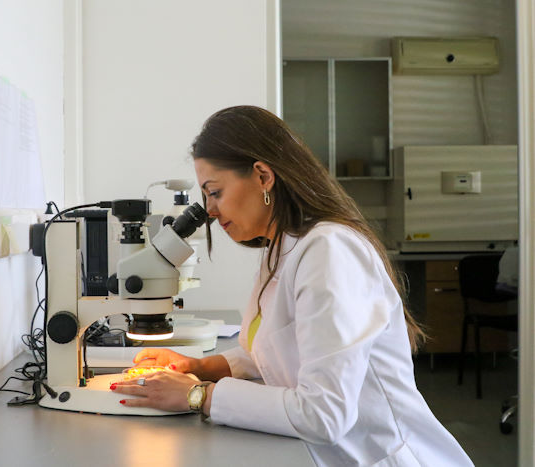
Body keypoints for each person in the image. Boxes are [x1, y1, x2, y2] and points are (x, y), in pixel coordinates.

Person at [112, 105, 473, 466]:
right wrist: (200, 366)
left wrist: (198, 395)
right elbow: (277, 353)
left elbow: (323, 414)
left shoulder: (329, 251)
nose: (210, 211)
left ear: (263, 176)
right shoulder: (284, 246)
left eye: (215, 192)